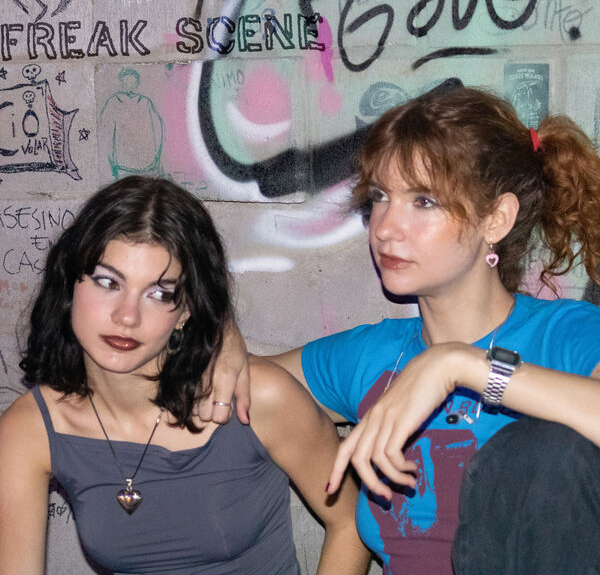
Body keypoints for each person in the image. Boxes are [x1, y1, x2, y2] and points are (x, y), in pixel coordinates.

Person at [219, 84, 600, 574]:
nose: (384, 227)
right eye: (380, 197)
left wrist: (458, 365)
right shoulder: (375, 355)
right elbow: (232, 384)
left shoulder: (563, 334)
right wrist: (223, 336)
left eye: (423, 201)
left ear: (496, 219)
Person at [0, 176, 369, 575]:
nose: (127, 316)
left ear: (186, 310)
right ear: (70, 282)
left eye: (159, 294)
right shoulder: (31, 428)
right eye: (108, 282)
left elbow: (350, 523)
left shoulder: (257, 398)